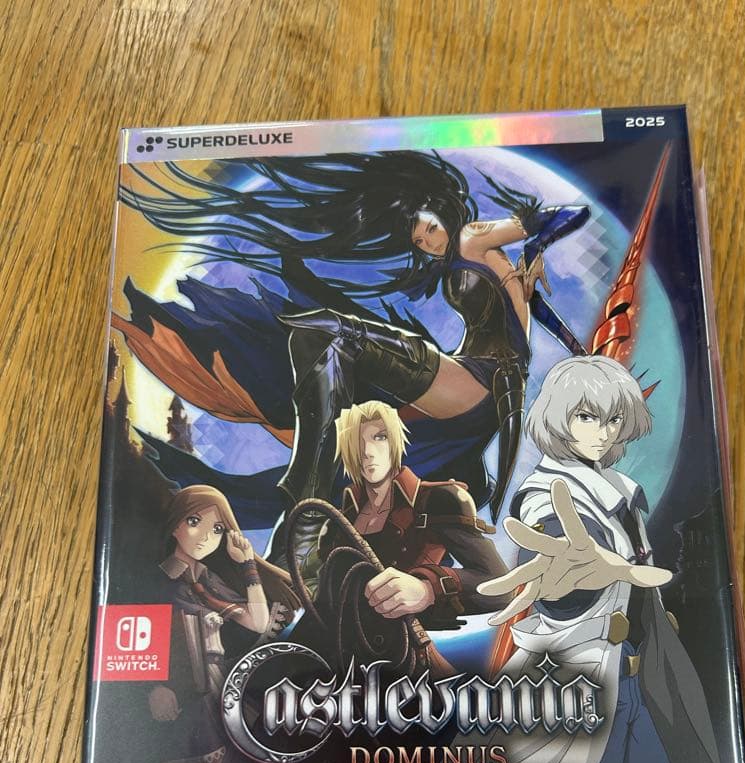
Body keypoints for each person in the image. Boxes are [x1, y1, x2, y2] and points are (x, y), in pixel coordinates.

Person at [115, 151, 590, 562]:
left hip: (481, 382)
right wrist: (575, 346)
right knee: (350, 407)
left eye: (429, 228)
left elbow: (567, 213)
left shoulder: (471, 237)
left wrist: (535, 246)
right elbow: (524, 316)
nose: (429, 242)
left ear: (441, 208)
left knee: (328, 335)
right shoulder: (477, 261)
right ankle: (312, 516)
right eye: (420, 241)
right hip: (475, 386)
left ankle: (305, 506)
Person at [475, 355, 731, 763]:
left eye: (612, 419)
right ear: (559, 418)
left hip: (640, 681)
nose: (603, 431)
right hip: (580, 687)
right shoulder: (547, 495)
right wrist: (578, 577)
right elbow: (558, 555)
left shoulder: (614, 488)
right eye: (587, 416)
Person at [290, 401, 509, 676]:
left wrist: (427, 590)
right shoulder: (339, 521)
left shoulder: (437, 499)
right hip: (333, 664)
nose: (368, 451)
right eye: (358, 442)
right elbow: (322, 601)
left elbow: (501, 586)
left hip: (403, 664)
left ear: (395, 442)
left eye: (379, 437)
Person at [147, 485, 298, 763]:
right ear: (174, 525)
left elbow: (257, 622)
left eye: (217, 529)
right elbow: (140, 639)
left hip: (220, 689)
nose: (206, 536)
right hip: (184, 698)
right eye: (194, 522)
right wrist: (154, 686)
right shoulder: (158, 581)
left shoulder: (207, 578)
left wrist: (248, 566)